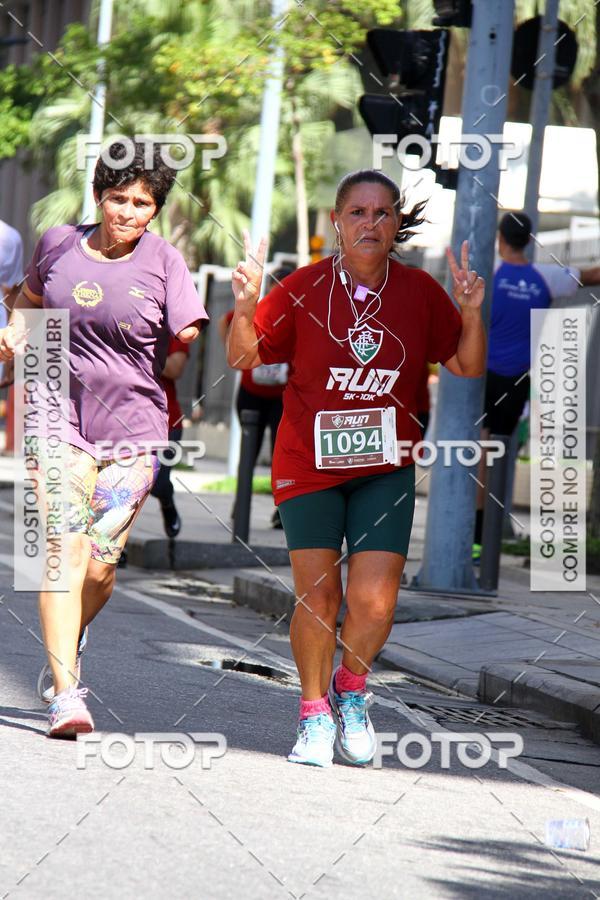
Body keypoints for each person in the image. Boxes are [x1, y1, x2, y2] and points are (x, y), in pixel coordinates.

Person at [227, 169, 486, 768]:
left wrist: (471, 311)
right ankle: (313, 714)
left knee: (373, 604)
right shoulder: (303, 287)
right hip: (308, 463)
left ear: (396, 225)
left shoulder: (420, 291)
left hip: (385, 466)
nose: (370, 223)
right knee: (319, 596)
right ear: (337, 224)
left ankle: (352, 688)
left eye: (382, 213)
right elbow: (245, 353)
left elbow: (467, 366)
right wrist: (245, 304)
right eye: (357, 213)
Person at [0, 141, 208, 738]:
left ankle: (73, 630)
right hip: (54, 416)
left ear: (155, 209)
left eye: (143, 203)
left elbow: (187, 332)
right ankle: (66, 691)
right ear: (99, 196)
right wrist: (15, 332)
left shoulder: (165, 262)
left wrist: (240, 302)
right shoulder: (58, 244)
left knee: (98, 567)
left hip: (134, 429)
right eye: (119, 198)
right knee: (62, 552)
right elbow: (31, 305)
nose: (130, 212)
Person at [472, 211, 600, 560]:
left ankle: (475, 537)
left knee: (478, 455)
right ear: (529, 240)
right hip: (518, 381)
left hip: (482, 377)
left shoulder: (489, 273)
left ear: (500, 239)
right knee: (499, 456)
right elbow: (592, 275)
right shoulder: (546, 277)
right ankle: (486, 540)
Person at [219, 266, 295, 528]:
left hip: (281, 396)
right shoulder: (259, 307)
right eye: (279, 288)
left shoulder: (298, 313)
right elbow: (227, 321)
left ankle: (282, 512)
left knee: (281, 455)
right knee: (248, 453)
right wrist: (236, 352)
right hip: (251, 394)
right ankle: (240, 506)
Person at [150, 335, 191, 537]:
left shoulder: (172, 329)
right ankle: (115, 548)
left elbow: (175, 368)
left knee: (157, 483)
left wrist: (139, 347)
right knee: (118, 488)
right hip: (122, 420)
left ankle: (167, 503)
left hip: (167, 421)